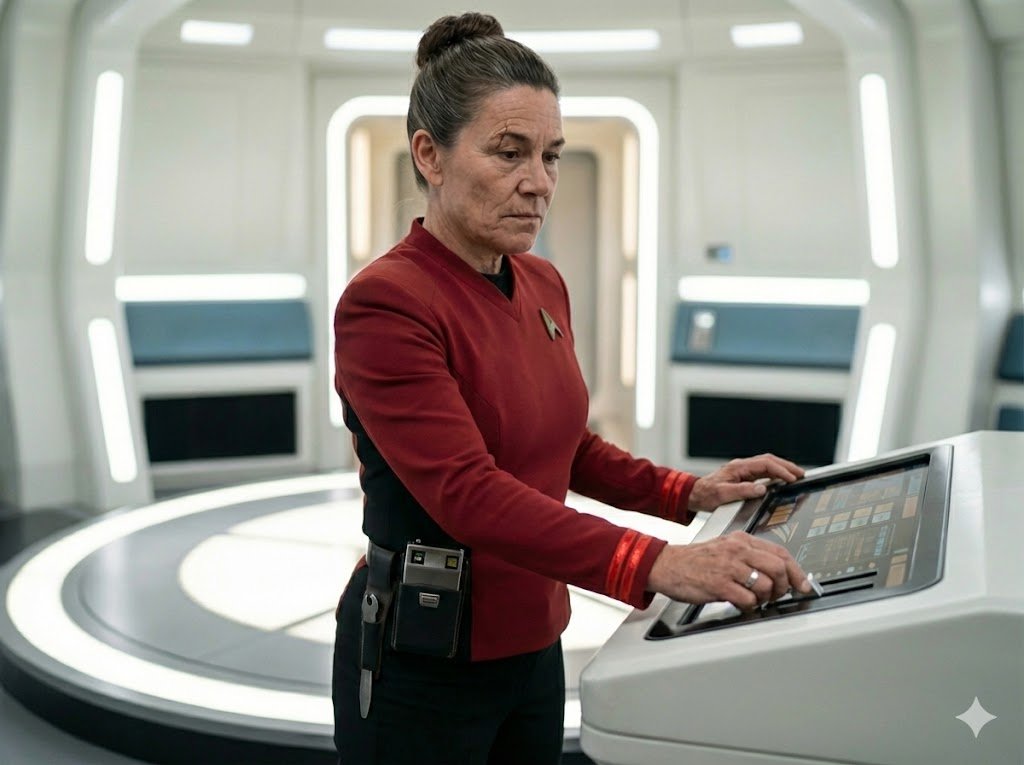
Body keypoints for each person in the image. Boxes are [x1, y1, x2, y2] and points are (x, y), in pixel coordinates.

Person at [331, 12, 812, 764]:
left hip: (535, 641)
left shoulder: (542, 282)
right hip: (424, 658)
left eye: (550, 156)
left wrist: (688, 492)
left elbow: (567, 445)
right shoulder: (386, 302)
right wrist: (655, 563)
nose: (538, 183)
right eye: (509, 152)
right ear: (430, 155)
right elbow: (467, 492)